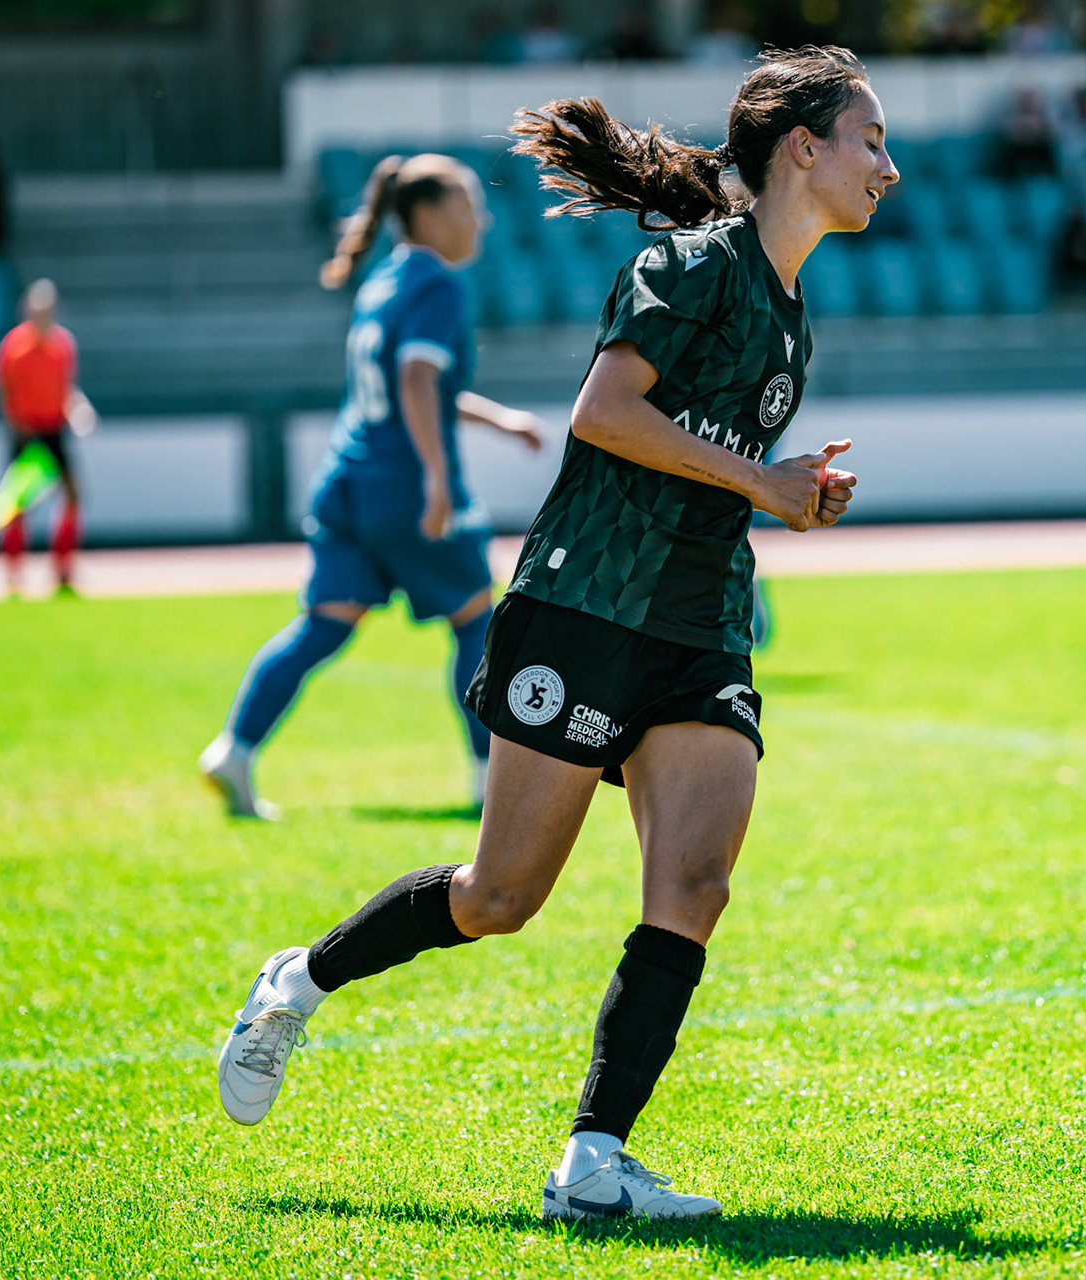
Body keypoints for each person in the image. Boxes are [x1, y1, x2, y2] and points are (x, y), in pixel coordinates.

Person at [214, 46, 885, 1221]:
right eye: (870, 139)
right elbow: (603, 413)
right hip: (585, 606)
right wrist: (762, 482)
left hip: (697, 621)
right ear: (804, 148)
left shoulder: (787, 315)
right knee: (501, 895)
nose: (888, 165)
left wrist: (785, 491)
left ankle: (593, 1156)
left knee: (697, 881)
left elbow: (716, 469)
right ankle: (298, 978)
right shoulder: (691, 265)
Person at [199, 154, 545, 820]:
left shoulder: (384, 280)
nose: (482, 219)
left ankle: (234, 750)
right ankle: (486, 782)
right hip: (404, 486)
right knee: (478, 618)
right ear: (428, 216)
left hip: (346, 481)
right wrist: (439, 483)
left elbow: (419, 384)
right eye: (468, 205)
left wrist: (497, 419)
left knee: (321, 627)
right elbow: (417, 381)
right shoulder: (439, 286)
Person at [0, 279, 95, 598]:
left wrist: (78, 408)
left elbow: (66, 388)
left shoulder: (63, 345)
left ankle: (63, 570)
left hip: (54, 429)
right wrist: (17, 426)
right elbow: (2, 390)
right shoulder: (14, 347)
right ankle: (14, 572)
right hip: (25, 431)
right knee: (18, 503)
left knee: (73, 495)